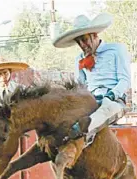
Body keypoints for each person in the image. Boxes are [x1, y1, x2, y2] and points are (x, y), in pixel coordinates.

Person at [52, 13, 131, 146]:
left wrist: (111, 95)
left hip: (114, 101)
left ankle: (81, 132)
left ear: (94, 35)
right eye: (78, 42)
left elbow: (125, 80)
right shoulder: (79, 59)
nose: (82, 45)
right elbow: (80, 86)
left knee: (107, 108)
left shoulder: (116, 50)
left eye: (84, 40)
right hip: (91, 99)